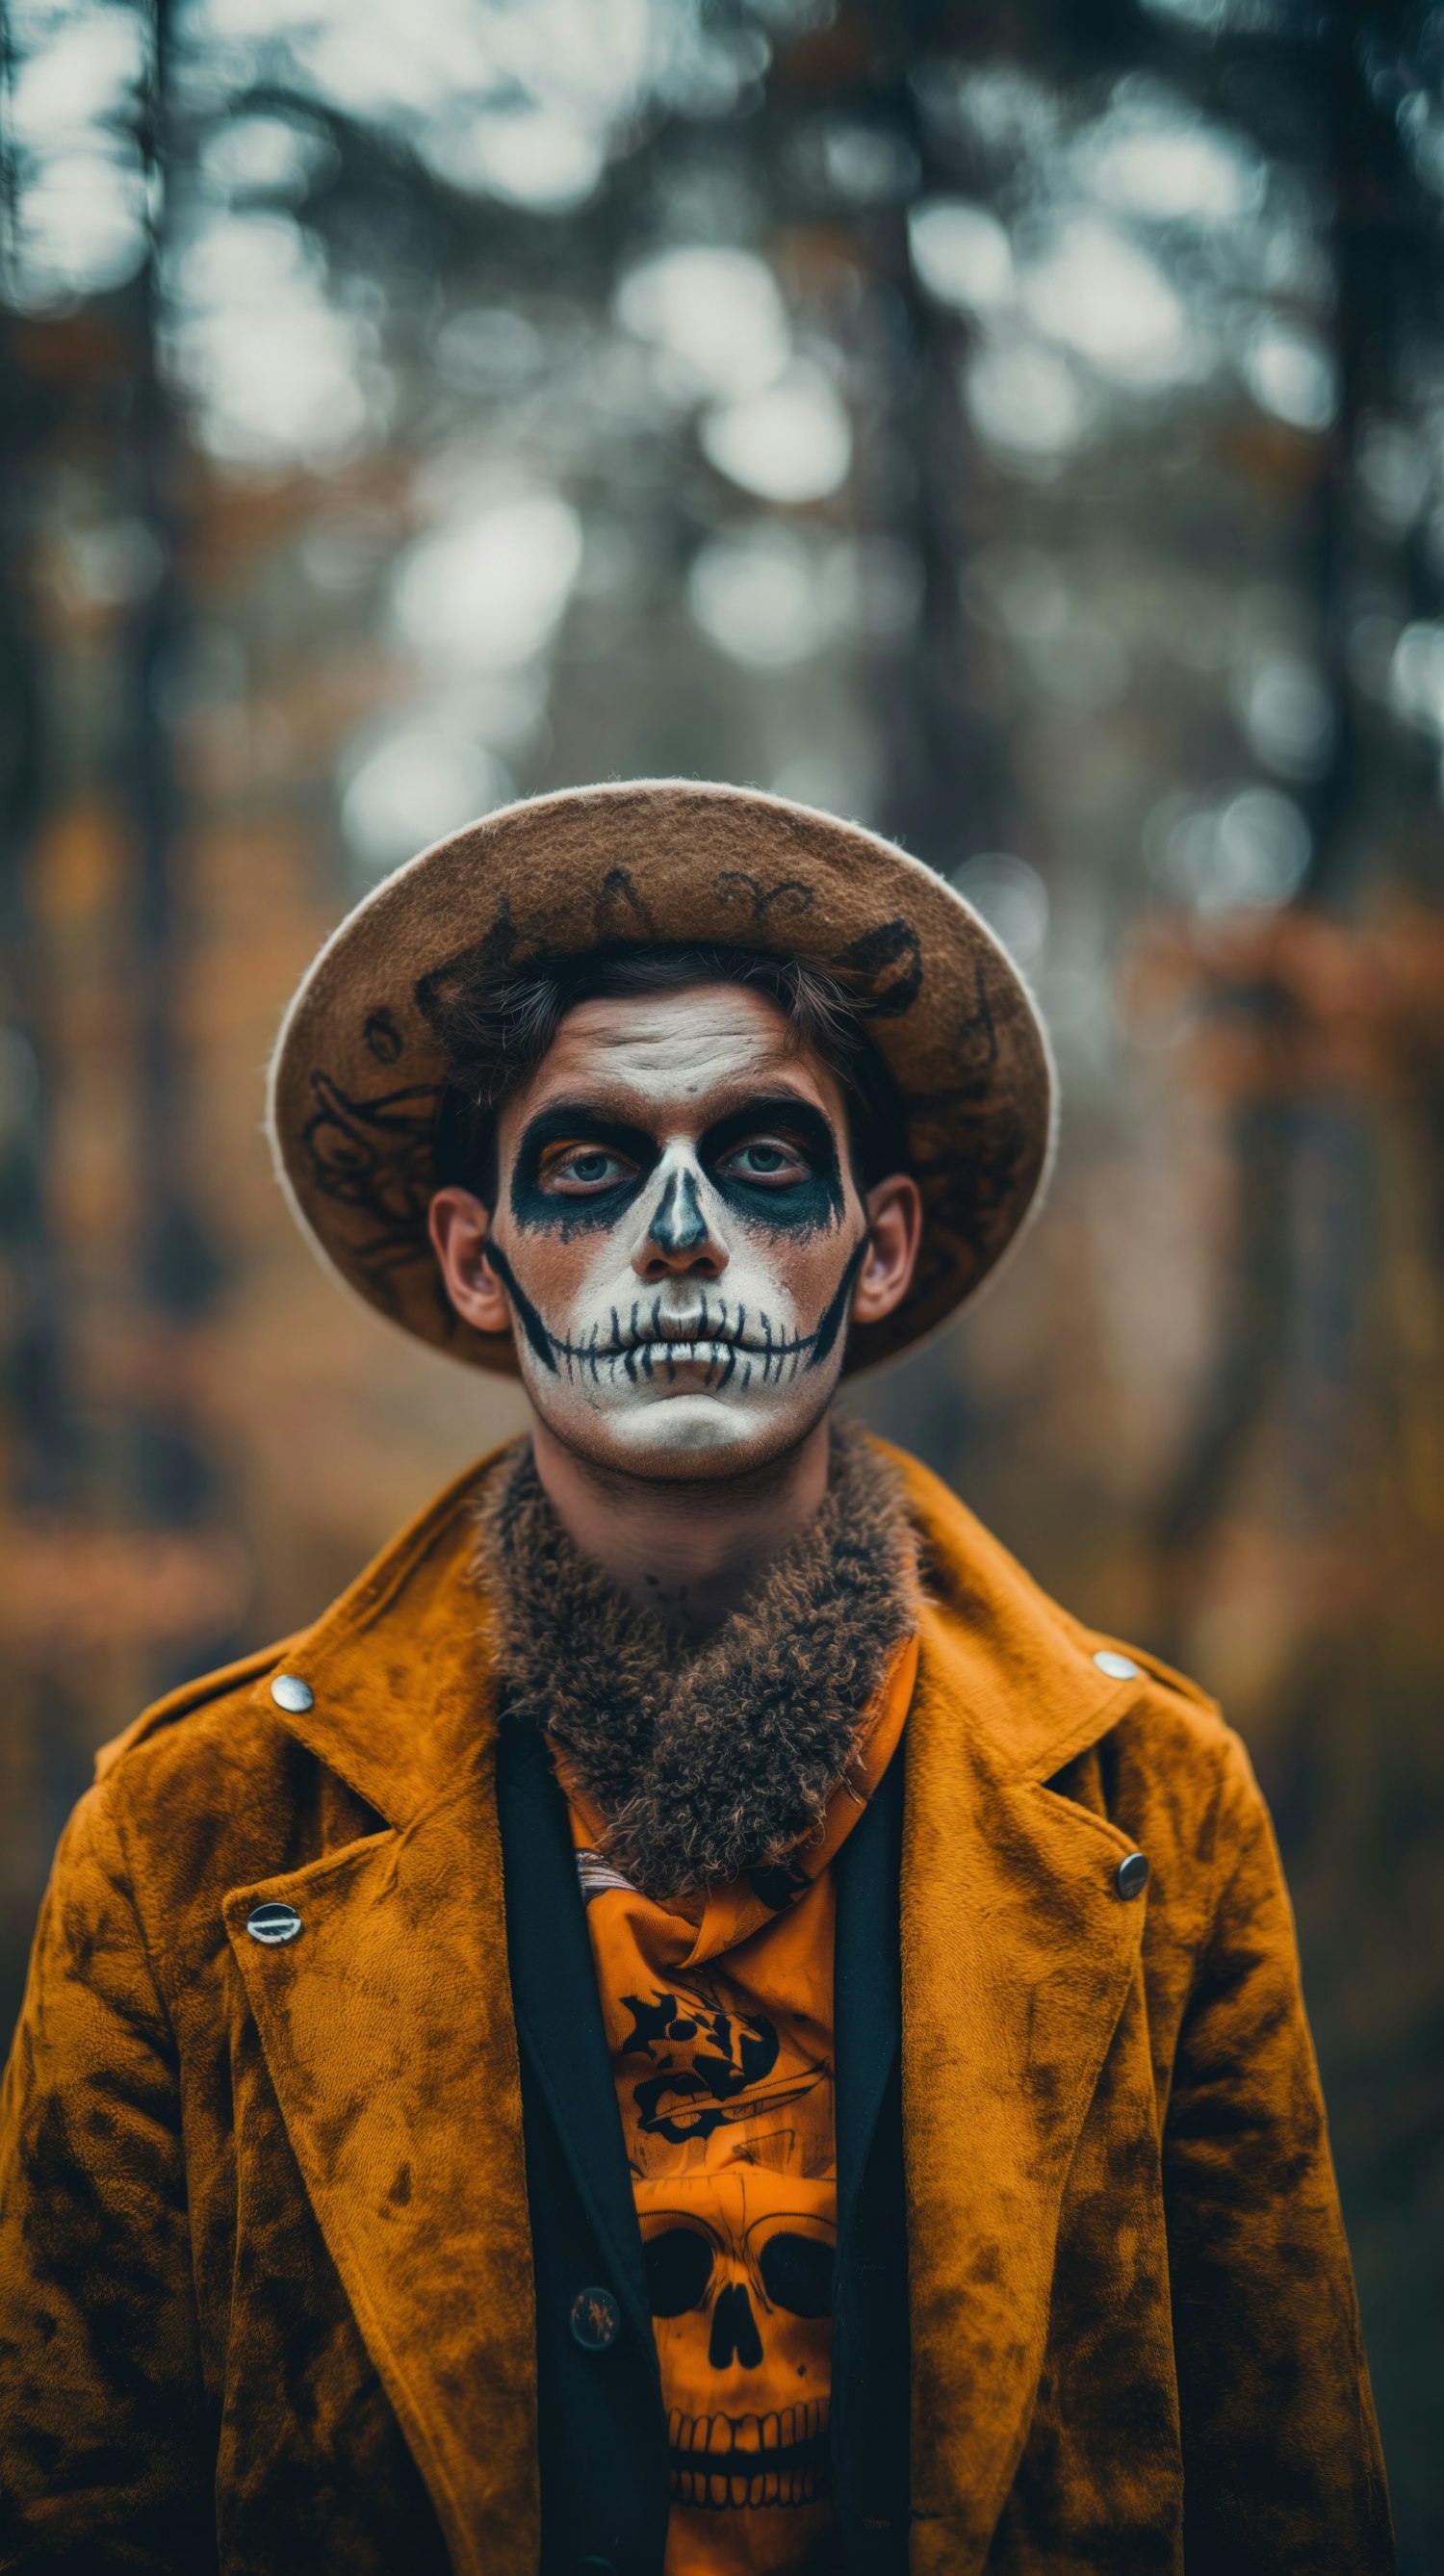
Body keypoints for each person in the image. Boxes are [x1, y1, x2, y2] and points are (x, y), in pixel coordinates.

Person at [0, 781, 1391, 2576]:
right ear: (476, 1258)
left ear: (873, 1249)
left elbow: (1293, 2491)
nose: (676, 1231)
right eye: (587, 1164)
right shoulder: (189, 1837)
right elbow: (77, 2501)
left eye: (759, 1158)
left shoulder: (1153, 1802)